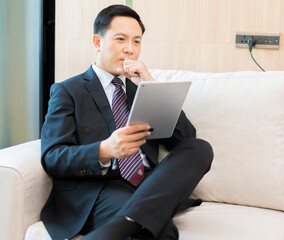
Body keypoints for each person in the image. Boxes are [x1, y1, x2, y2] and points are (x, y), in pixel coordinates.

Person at [40, 4, 213, 240]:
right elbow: (52, 156)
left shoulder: (142, 89)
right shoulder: (68, 91)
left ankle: (124, 223)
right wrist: (104, 150)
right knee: (163, 234)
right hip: (102, 187)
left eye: (137, 42)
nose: (130, 50)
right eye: (120, 39)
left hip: (150, 185)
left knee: (201, 148)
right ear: (98, 42)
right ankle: (132, 221)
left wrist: (151, 85)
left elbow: (186, 141)